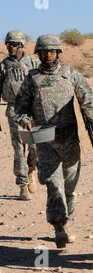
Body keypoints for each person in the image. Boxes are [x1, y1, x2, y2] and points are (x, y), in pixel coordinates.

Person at [14, 34, 93, 248]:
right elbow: (20, 107)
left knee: (70, 186)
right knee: (54, 185)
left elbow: (88, 101)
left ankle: (68, 220)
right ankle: (59, 226)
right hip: (45, 141)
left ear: (58, 53)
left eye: (51, 51)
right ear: (38, 54)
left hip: (70, 139)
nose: (47, 55)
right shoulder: (31, 79)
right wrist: (26, 120)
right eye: (43, 52)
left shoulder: (71, 74)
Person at [0, 30, 40, 200]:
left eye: (13, 44)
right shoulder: (3, 65)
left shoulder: (33, 63)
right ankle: (22, 184)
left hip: (32, 110)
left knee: (35, 146)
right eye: (7, 44)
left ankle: (32, 169)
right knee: (18, 148)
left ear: (21, 45)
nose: (10, 47)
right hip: (13, 109)